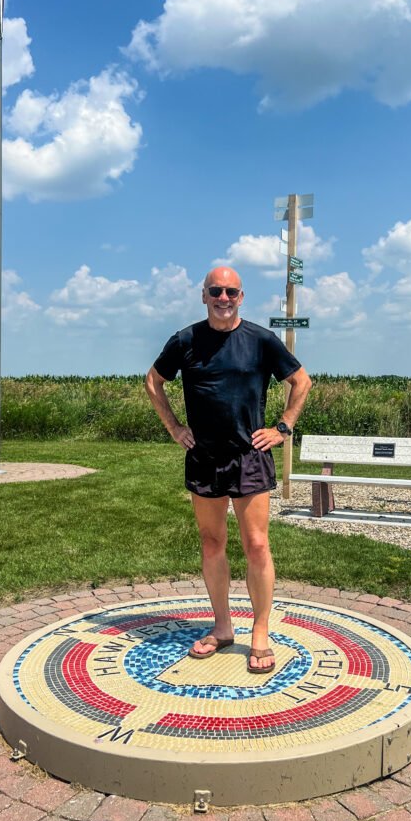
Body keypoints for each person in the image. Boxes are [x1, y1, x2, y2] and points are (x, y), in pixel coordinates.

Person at [145, 265, 312, 674]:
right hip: (205, 456)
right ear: (204, 296)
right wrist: (174, 427)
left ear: (242, 297)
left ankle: (260, 631)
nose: (223, 298)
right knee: (211, 542)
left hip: (250, 455)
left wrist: (282, 428)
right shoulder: (185, 340)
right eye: (216, 291)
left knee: (256, 544)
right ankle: (222, 627)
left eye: (231, 292)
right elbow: (153, 380)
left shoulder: (261, 340)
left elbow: (302, 381)